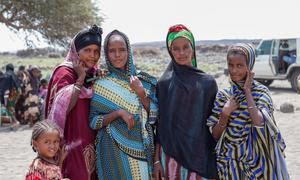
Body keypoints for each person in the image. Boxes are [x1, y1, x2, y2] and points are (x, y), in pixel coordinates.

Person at [207, 43, 289, 179]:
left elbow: (259, 122)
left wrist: (247, 91)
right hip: (229, 164)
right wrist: (225, 114)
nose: (234, 70)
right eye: (230, 65)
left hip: (257, 162)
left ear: (249, 66)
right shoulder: (224, 95)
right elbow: (215, 136)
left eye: (240, 65)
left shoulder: (261, 92)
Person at [89, 30, 158, 179]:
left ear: (129, 51)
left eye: (122, 50)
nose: (117, 55)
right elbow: (94, 122)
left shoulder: (144, 82)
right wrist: (118, 113)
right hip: (112, 153)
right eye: (112, 51)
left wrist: (140, 92)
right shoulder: (101, 85)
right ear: (106, 54)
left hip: (142, 151)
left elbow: (156, 117)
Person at [154, 24, 218, 179]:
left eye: (185, 47)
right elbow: (159, 126)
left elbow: (212, 126)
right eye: (175, 48)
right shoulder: (164, 83)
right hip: (170, 160)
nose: (181, 53)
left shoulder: (208, 83)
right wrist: (156, 160)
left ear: (193, 48)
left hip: (200, 159)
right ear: (170, 51)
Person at [44, 25, 103, 180]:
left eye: (96, 51)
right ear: (76, 51)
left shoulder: (94, 73)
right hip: (70, 144)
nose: (92, 55)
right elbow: (63, 109)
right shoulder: (64, 73)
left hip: (90, 142)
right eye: (87, 50)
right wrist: (80, 79)